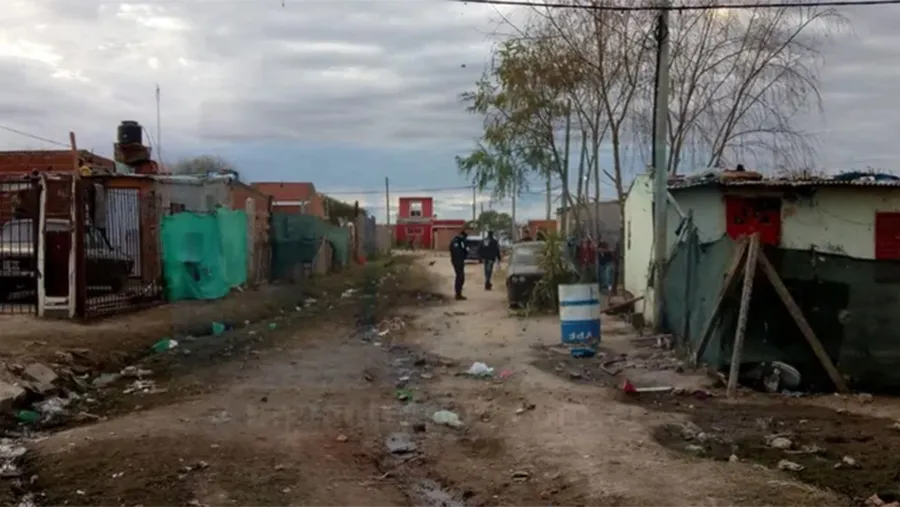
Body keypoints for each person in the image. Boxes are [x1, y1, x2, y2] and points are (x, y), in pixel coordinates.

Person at [449, 229, 469, 300]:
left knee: (461, 277)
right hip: (457, 261)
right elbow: (457, 252)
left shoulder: (460, 241)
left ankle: (459, 293)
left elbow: (464, 251)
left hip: (459, 261)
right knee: (460, 277)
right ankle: (458, 294)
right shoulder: (456, 242)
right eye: (464, 237)